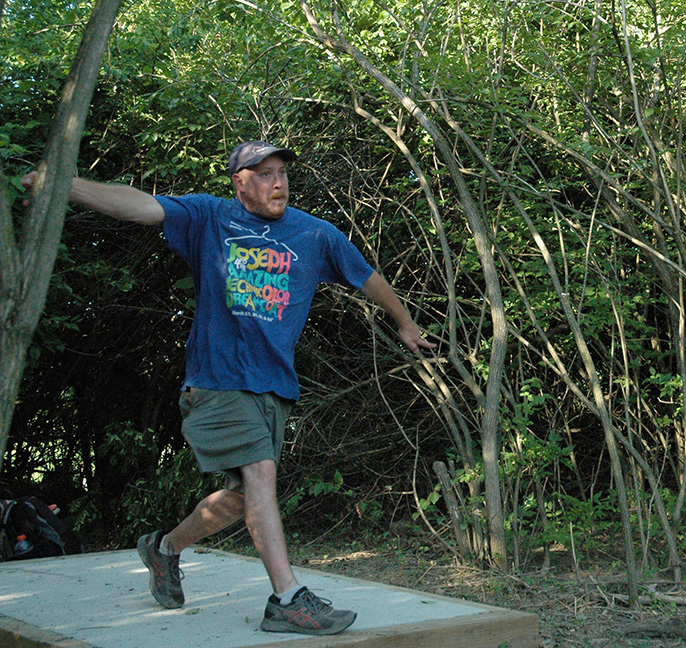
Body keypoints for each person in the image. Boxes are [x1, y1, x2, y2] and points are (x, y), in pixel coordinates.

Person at [20, 141, 436, 636]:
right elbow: (136, 205)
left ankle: (164, 548)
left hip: (274, 386)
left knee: (242, 498)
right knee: (261, 474)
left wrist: (405, 322)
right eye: (263, 174)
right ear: (239, 182)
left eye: (281, 172)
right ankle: (287, 599)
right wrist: (63, 185)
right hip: (217, 379)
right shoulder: (208, 217)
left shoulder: (314, 233)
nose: (277, 182)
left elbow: (366, 276)